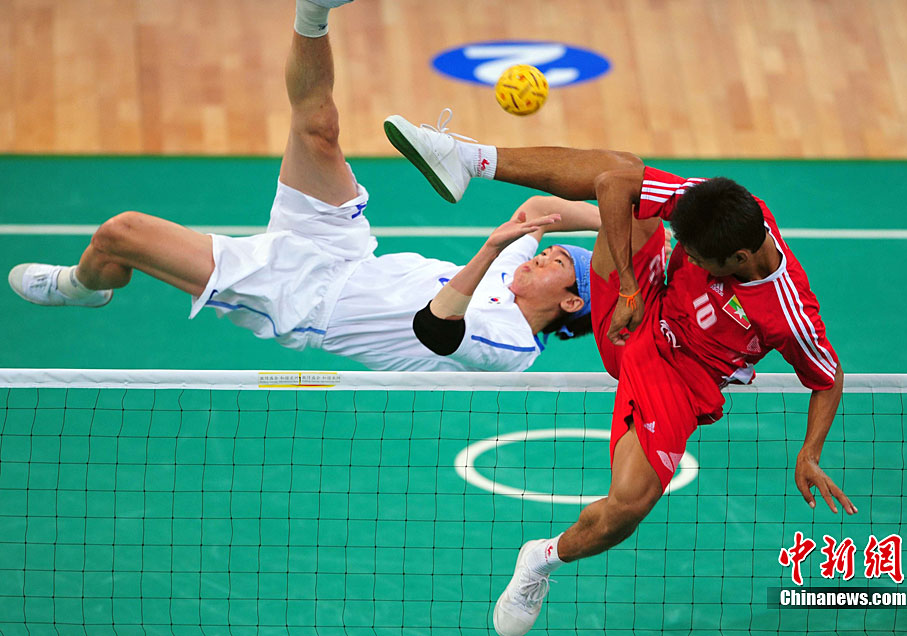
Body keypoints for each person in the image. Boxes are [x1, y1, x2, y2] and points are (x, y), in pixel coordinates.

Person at [384, 115, 856, 635]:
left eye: (697, 257)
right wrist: (629, 286)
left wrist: (810, 452)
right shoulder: (716, 204)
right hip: (637, 310)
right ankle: (469, 158)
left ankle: (540, 559)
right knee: (626, 172)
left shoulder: (787, 313)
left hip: (680, 378)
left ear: (739, 258)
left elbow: (827, 377)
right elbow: (612, 184)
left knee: (627, 508)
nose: (687, 255)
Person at [6, 0, 656, 373]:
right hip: (345, 250)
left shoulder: (511, 345)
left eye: (553, 263)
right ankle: (314, 9)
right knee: (318, 127)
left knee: (119, 234)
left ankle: (83, 287)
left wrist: (490, 247)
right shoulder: (521, 276)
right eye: (546, 252)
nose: (538, 257)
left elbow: (438, 325)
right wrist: (625, 213)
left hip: (301, 299)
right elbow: (539, 207)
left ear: (571, 300)